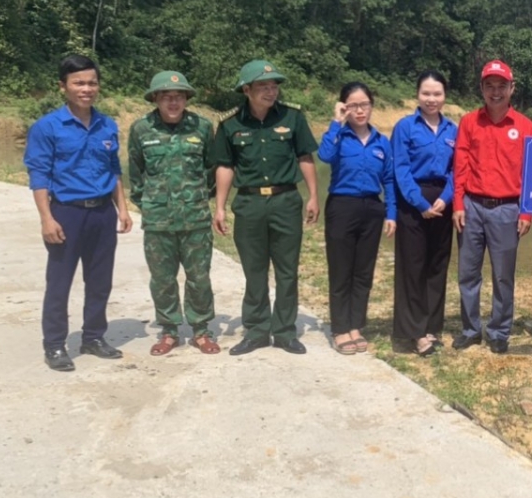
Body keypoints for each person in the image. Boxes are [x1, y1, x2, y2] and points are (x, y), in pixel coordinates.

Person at [24, 54, 133, 372]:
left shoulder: (107, 124)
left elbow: (114, 169)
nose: (87, 88)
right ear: (63, 87)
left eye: (92, 82)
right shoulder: (47, 127)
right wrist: (47, 218)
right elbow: (39, 175)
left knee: (100, 281)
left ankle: (94, 337)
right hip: (66, 213)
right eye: (79, 83)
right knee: (59, 282)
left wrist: (122, 209)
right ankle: (55, 345)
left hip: (101, 213)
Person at [213, 60, 320, 356]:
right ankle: (257, 331)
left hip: (286, 201)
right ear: (246, 89)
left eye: (274, 86)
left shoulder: (293, 117)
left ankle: (285, 332)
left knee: (287, 270)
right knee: (254, 270)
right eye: (263, 86)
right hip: (249, 204)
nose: (271, 91)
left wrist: (313, 196)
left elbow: (305, 156)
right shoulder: (230, 124)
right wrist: (220, 207)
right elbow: (225, 166)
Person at [128, 70, 220, 356]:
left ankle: (201, 330)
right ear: (155, 98)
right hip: (158, 220)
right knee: (163, 279)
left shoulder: (202, 127)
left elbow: (212, 169)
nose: (173, 102)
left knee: (199, 277)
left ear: (186, 99)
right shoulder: (141, 129)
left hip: (195, 218)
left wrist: (197, 199)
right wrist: (151, 205)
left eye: (179, 96)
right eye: (166, 97)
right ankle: (169, 331)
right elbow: (136, 173)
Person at [452, 59, 532, 354]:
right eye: (490, 86)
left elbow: (531, 173)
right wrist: (458, 204)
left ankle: (499, 331)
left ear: (512, 88)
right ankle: (470, 329)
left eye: (502, 86)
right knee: (467, 272)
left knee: (503, 275)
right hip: (472, 206)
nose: (496, 92)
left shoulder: (525, 125)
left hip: (507, 209)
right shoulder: (469, 122)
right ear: (482, 89)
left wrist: (526, 210)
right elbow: (460, 165)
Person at [318, 82, 396, 354]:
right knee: (341, 270)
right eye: (353, 105)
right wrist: (335, 122)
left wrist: (391, 214)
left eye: (364, 104)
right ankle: (340, 328)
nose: (360, 110)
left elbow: (388, 179)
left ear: (372, 106)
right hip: (342, 207)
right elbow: (324, 155)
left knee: (363, 272)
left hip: (372, 209)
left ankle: (355, 326)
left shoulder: (381, 142)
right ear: (344, 107)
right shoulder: (339, 136)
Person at [390, 70, 457, 356]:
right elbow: (400, 169)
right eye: (426, 93)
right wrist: (420, 203)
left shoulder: (453, 129)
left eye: (437, 94)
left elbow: (458, 168)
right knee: (412, 267)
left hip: (443, 201)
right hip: (414, 202)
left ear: (444, 96)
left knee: (437, 266)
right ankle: (414, 332)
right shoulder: (405, 127)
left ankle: (432, 326)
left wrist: (446, 197)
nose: (432, 99)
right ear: (417, 94)